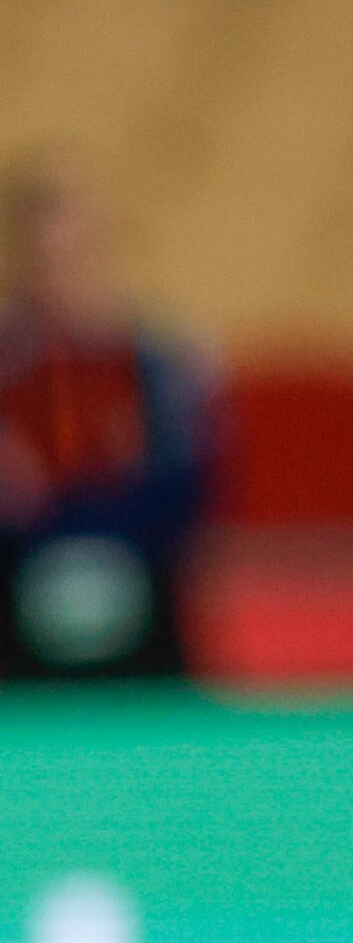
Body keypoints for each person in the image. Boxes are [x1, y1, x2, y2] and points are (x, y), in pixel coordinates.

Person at [0, 167, 220, 685]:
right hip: (16, 635)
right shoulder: (11, 364)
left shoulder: (162, 363)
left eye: (74, 256)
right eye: (45, 260)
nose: (62, 276)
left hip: (146, 632)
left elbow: (193, 492)